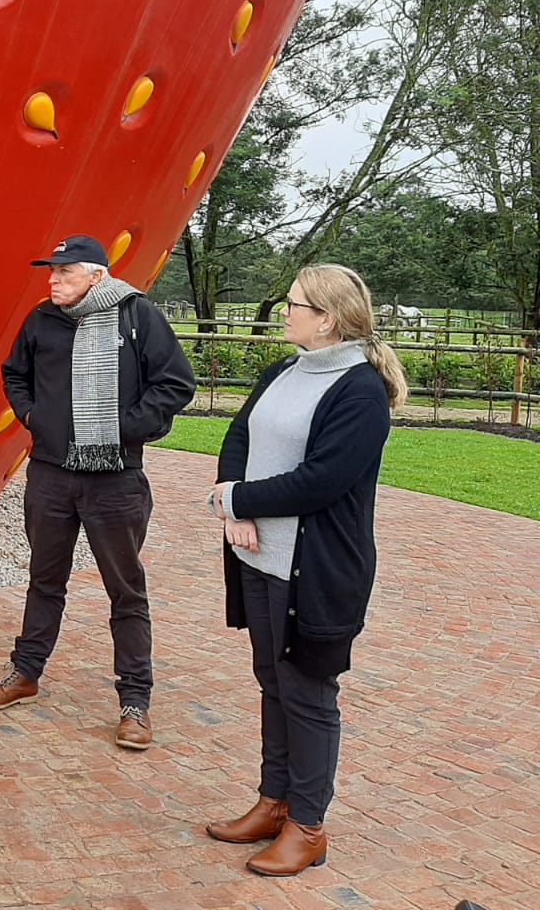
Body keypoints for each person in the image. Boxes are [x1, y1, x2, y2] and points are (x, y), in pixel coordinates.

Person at [205, 264, 406, 877]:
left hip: (316, 570)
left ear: (326, 317)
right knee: (273, 679)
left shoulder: (359, 391)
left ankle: (308, 826)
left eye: (293, 304)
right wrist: (230, 495)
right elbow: (239, 436)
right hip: (260, 557)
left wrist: (239, 501)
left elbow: (322, 480)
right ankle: (274, 802)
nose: (283, 312)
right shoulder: (283, 370)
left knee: (309, 693)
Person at [0, 234, 195, 749]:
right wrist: (33, 418)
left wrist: (123, 427)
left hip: (115, 478)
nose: (52, 280)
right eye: (51, 271)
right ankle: (25, 674)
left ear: (95, 276)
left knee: (125, 589)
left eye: (64, 273)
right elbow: (14, 374)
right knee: (44, 579)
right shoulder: (41, 320)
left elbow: (175, 383)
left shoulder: (136, 316)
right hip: (51, 473)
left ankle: (135, 702)